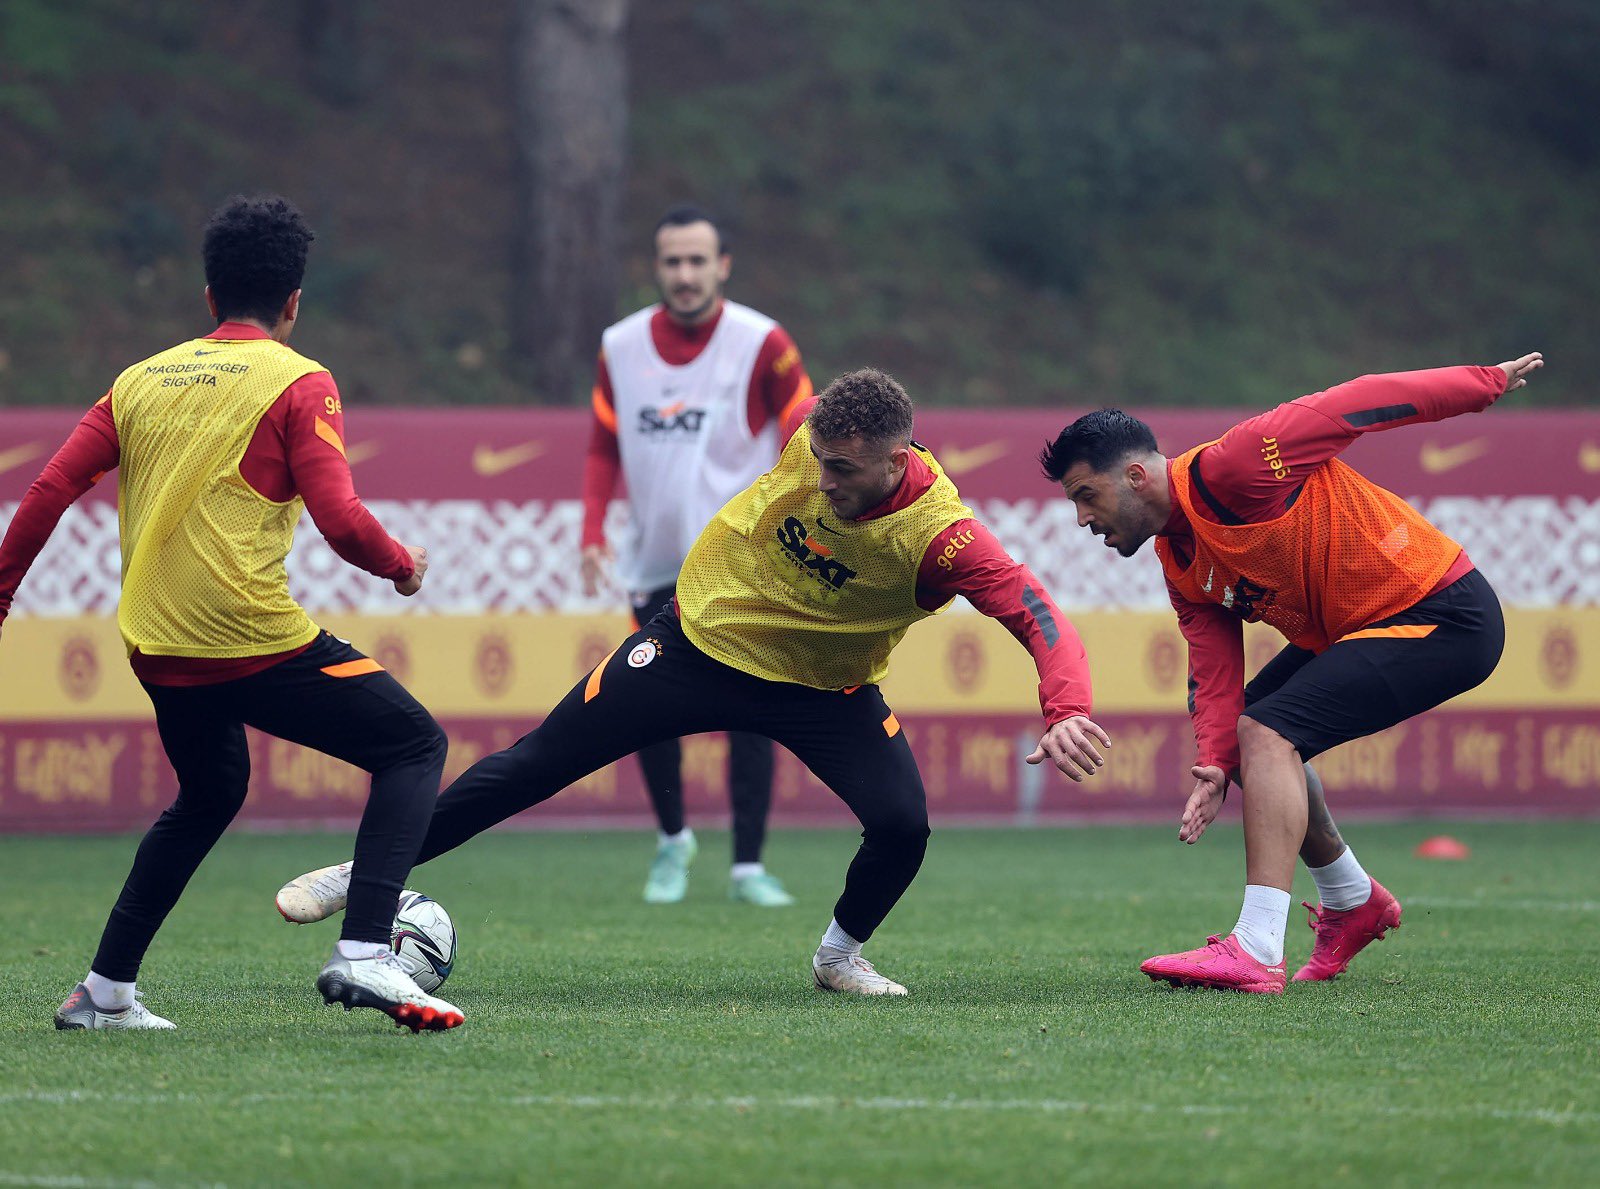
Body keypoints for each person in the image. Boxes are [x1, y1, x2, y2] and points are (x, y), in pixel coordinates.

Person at [277, 367, 1113, 996]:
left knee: (903, 824)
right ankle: (368, 875)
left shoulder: (941, 536)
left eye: (846, 470)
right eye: (818, 459)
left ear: (900, 460)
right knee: (532, 764)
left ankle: (838, 956)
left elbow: (1037, 612)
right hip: (694, 643)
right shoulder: (813, 434)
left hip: (822, 687)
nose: (823, 479)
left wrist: (1067, 704)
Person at [0, 195, 464, 1032]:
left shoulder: (138, 380)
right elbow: (342, 519)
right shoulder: (299, 379)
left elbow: (48, 488)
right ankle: (365, 953)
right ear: (293, 302)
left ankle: (104, 992)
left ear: (209, 296)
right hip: (245, 637)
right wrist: (404, 567)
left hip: (156, 642)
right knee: (413, 744)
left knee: (210, 791)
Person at [1040, 352, 1541, 993]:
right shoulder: (1179, 560)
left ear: (1136, 475)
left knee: (1268, 732)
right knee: (1251, 740)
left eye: (1087, 496)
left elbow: (1360, 401)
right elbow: (1216, 677)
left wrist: (1482, 384)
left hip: (1445, 612)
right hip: (1361, 627)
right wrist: (1216, 765)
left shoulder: (1238, 465)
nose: (1083, 519)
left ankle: (1256, 948)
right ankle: (1351, 897)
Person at [581, 204, 812, 908]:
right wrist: (592, 529)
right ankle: (673, 839)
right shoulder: (620, 345)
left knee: (754, 709)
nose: (684, 274)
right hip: (654, 563)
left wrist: (801, 527)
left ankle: (748, 864)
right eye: (672, 261)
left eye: (696, 260)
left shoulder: (762, 342)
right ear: (657, 267)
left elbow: (805, 433)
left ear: (723, 265)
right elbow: (602, 443)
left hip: (744, 568)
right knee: (647, 704)